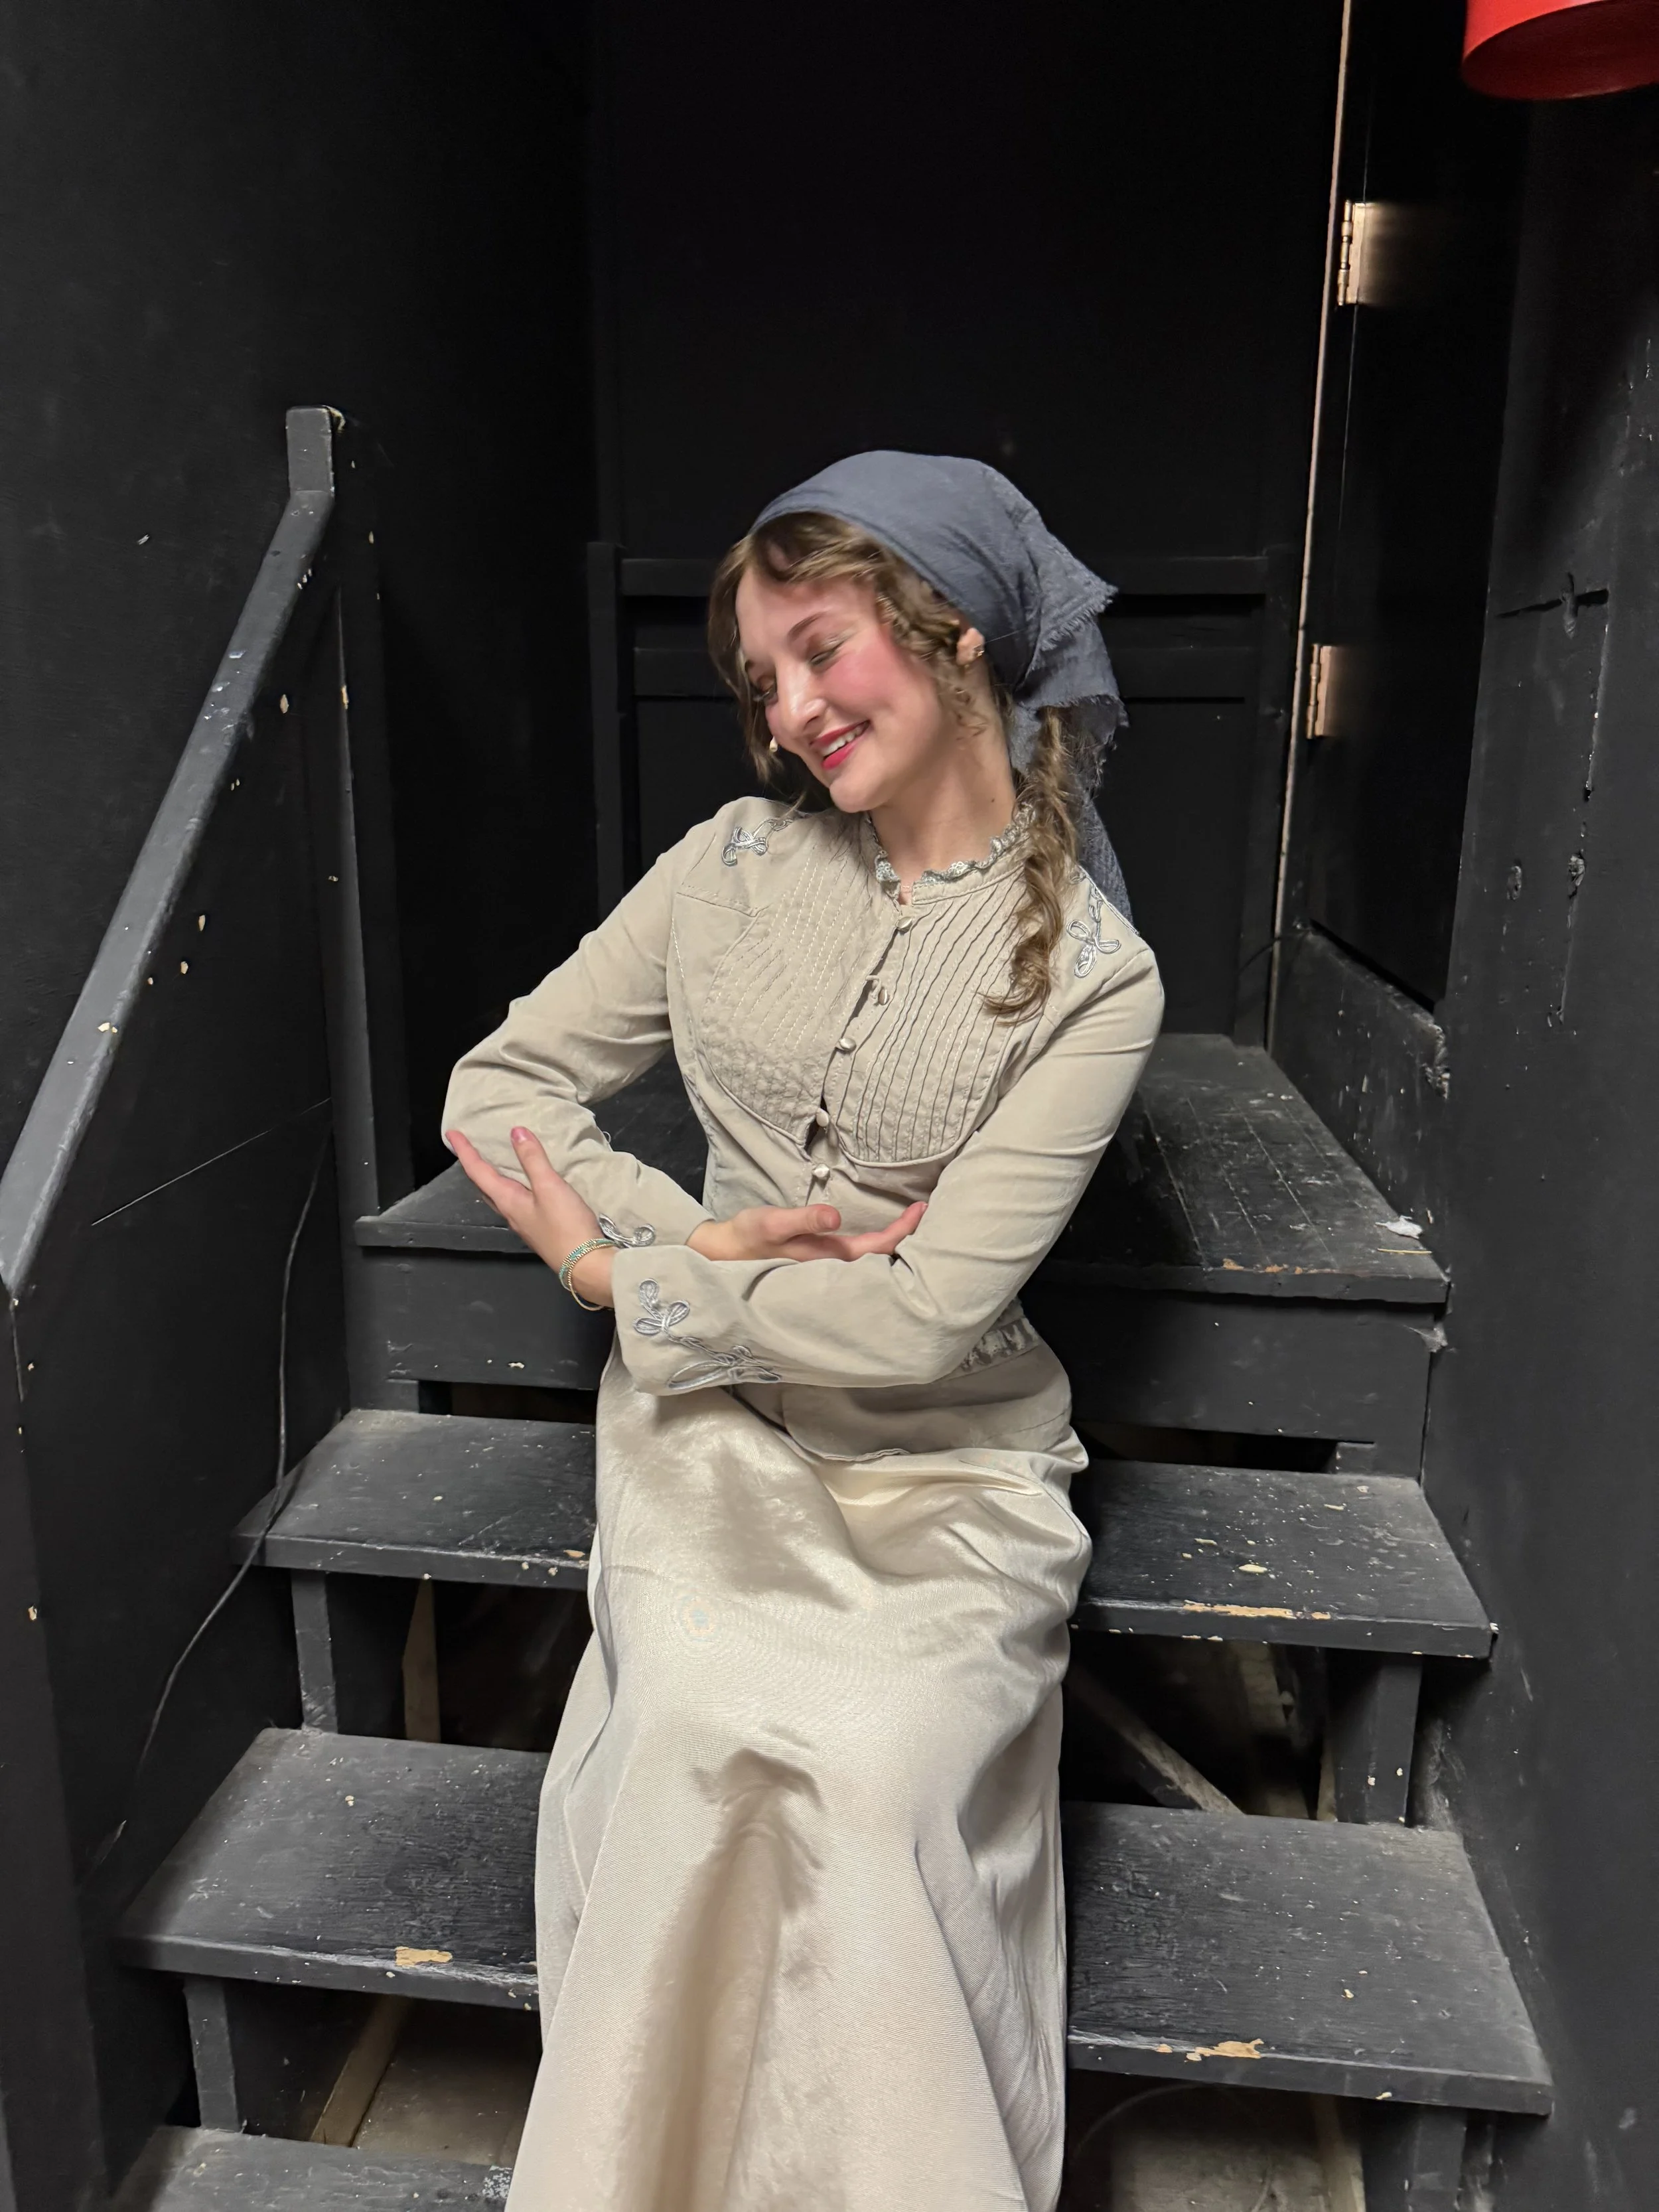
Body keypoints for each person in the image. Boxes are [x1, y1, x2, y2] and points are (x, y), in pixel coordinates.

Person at [443, 451, 1164, 2212]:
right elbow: (500, 1087)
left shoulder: (1091, 973)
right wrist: (688, 1237)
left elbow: (927, 1319)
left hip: (951, 1467)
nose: (789, 708)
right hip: (718, 1440)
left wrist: (635, 1286)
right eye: (760, 677)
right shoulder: (730, 867)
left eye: (821, 648)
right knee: (697, 1713)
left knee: (876, 1765)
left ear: (956, 635)